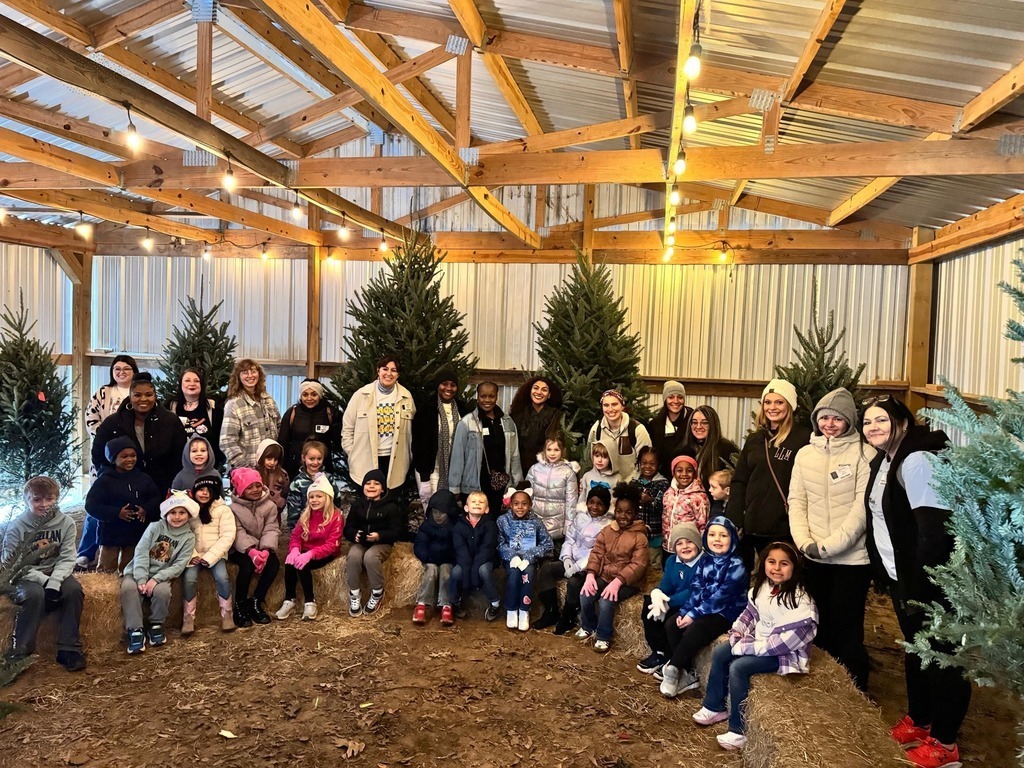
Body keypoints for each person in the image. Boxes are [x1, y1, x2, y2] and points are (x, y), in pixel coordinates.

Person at [862, 396, 971, 768]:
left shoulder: (917, 460)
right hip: (902, 578)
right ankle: (921, 720)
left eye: (881, 420)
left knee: (942, 657)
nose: (873, 427)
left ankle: (945, 742)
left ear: (902, 422)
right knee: (916, 652)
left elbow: (934, 531)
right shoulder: (887, 459)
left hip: (928, 582)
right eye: (867, 422)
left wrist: (925, 583)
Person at [692, 541, 818, 752]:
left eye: (784, 564)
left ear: (794, 567)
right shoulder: (763, 589)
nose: (777, 568)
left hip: (784, 653)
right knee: (722, 651)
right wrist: (738, 631)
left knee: (739, 667)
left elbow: (783, 644)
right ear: (764, 564)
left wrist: (747, 647)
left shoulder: (801, 602)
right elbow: (750, 614)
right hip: (760, 643)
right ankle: (715, 706)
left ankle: (738, 729)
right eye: (771, 562)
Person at [788, 388, 874, 691]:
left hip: (852, 559)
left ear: (849, 421)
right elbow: (797, 500)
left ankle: (855, 689)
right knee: (817, 621)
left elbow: (863, 509)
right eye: (824, 417)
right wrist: (805, 542)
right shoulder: (805, 454)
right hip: (812, 555)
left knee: (847, 627)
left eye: (837, 418)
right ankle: (824, 690)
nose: (830, 423)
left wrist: (829, 546)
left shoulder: (865, 454)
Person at [1, 476, 86, 671]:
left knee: (73, 590)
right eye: (37, 499)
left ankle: (68, 649)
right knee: (34, 595)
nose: (44, 504)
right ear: (27, 500)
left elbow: (67, 558)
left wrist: (55, 583)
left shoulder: (66, 523)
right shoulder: (17, 527)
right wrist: (47, 583)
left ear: (56, 498)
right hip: (25, 575)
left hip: (56, 571)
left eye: (49, 499)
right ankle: (21, 651)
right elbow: (13, 566)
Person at [659, 516, 747, 698]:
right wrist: (685, 612)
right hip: (704, 608)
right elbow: (696, 589)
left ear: (733, 538)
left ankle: (673, 668)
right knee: (672, 624)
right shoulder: (706, 561)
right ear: (705, 537)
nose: (717, 539)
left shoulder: (736, 565)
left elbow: (719, 598)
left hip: (727, 612)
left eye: (723, 535)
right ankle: (689, 674)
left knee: (697, 628)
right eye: (712, 534)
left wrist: (694, 614)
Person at [730, 379, 811, 570]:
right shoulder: (755, 439)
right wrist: (735, 517)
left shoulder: (803, 438)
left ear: (790, 405)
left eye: (779, 402)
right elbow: (740, 480)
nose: (772, 407)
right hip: (752, 526)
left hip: (783, 527)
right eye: (767, 402)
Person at [79, 354, 139, 568]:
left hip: (130, 459)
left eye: (126, 369)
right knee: (98, 504)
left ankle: (123, 558)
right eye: (117, 369)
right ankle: (87, 552)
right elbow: (90, 418)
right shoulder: (103, 393)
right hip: (105, 458)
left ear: (134, 371)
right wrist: (108, 441)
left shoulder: (138, 393)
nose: (121, 372)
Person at [120, 491, 198, 655]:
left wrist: (156, 579)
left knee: (163, 591)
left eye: (182, 512)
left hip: (161, 574)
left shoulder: (188, 538)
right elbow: (141, 551)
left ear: (189, 514)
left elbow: (179, 565)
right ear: (166, 514)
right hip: (137, 570)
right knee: (128, 588)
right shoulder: (154, 527)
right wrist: (141, 578)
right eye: (173, 513)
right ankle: (135, 630)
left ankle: (156, 624)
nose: (177, 517)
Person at [91, 372, 188, 498]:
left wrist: (173, 485)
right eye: (137, 395)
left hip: (162, 488)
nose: (143, 399)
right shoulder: (113, 422)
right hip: (122, 488)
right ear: (130, 397)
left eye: (148, 395)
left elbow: (180, 457)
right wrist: (110, 479)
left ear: (155, 396)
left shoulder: (170, 421)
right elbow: (98, 454)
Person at [577, 483, 649, 653]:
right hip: (605, 576)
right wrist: (590, 575)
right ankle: (588, 626)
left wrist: (618, 582)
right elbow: (596, 553)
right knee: (585, 594)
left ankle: (603, 636)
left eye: (629, 512)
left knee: (606, 600)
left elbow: (638, 565)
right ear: (614, 511)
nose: (623, 516)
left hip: (627, 582)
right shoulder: (607, 531)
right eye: (619, 511)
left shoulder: (640, 537)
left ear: (635, 514)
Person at [85, 436, 161, 573]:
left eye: (133, 455)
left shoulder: (143, 478)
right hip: (110, 533)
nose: (130, 459)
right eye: (124, 456)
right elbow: (91, 505)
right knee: (106, 568)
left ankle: (127, 590)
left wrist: (145, 510)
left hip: (134, 533)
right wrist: (116, 513)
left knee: (130, 568)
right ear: (113, 459)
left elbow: (155, 498)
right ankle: (107, 594)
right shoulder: (104, 481)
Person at [342, 355, 416, 491]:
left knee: (390, 502)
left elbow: (412, 432)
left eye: (393, 370)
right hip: (364, 459)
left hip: (395, 461)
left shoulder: (406, 396)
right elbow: (347, 428)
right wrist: (352, 452)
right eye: (385, 369)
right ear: (378, 371)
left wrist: (409, 456)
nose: (389, 373)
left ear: (398, 375)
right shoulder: (361, 395)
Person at [637, 522, 703, 675]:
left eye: (689, 541)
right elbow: (666, 583)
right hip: (674, 600)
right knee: (649, 606)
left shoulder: (703, 563)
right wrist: (658, 593)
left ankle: (674, 658)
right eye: (679, 543)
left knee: (671, 622)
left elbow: (694, 592)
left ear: (698, 543)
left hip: (694, 605)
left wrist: (668, 602)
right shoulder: (672, 561)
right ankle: (659, 652)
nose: (685, 546)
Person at [526, 435, 579, 629]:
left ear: (562, 451)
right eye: (549, 450)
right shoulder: (534, 469)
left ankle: (554, 610)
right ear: (544, 451)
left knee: (550, 569)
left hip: (557, 531)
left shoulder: (568, 473)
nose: (553, 453)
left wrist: (568, 528)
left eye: (556, 450)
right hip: (538, 528)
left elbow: (571, 503)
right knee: (534, 568)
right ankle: (543, 608)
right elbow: (528, 496)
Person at [449, 381, 523, 516]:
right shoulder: (466, 422)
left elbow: (514, 455)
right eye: (483, 396)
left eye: (491, 396)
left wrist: (517, 483)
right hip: (474, 485)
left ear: (497, 397)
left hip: (500, 485)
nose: (487, 400)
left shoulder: (507, 422)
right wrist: (454, 487)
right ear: (478, 396)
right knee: (474, 524)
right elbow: (457, 456)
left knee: (494, 523)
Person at [277, 473, 343, 621]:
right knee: (290, 562)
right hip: (306, 550)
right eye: (311, 497)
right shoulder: (306, 515)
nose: (314, 500)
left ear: (328, 497)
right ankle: (290, 599)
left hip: (325, 552)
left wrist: (310, 554)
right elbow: (296, 536)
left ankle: (310, 601)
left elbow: (332, 545)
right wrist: (294, 549)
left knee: (302, 565)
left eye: (319, 496)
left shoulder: (336, 516)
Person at [554, 485, 613, 636]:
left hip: (589, 565)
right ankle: (551, 610)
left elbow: (599, 552)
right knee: (548, 569)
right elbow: (570, 538)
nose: (594, 507)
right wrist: (566, 557)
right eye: (591, 502)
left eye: (600, 504)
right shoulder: (580, 517)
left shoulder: (608, 526)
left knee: (574, 583)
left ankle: (568, 617)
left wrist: (578, 566)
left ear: (606, 507)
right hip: (571, 558)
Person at [345, 469, 404, 617]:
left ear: (382, 488)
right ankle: (354, 594)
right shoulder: (358, 505)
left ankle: (377, 592)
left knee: (370, 557)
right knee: (353, 555)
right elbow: (348, 528)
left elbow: (396, 531)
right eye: (368, 483)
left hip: (382, 543)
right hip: (362, 542)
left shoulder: (391, 507)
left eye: (376, 484)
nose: (371, 486)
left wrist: (379, 536)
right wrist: (355, 535)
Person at [182, 475, 237, 634]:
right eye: (201, 490)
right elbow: (184, 534)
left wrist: (211, 557)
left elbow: (228, 535)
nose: (204, 493)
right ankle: (188, 617)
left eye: (209, 490)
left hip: (216, 554)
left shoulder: (223, 510)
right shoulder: (190, 511)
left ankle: (227, 614)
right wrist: (192, 554)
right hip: (193, 554)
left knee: (222, 577)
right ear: (195, 491)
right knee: (189, 578)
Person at [227, 467, 280, 628]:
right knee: (246, 566)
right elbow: (237, 532)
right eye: (249, 487)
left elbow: (271, 528)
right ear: (240, 489)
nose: (255, 490)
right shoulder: (232, 509)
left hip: (261, 546)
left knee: (274, 564)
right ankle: (240, 605)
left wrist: (265, 550)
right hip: (240, 549)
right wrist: (251, 551)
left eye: (257, 485)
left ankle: (256, 600)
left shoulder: (270, 506)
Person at [497, 485, 553, 632]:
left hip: (529, 559)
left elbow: (548, 544)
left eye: (524, 504)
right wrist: (512, 556)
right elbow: (499, 543)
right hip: (511, 559)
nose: (520, 507)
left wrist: (530, 556)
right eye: (516, 504)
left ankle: (524, 609)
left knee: (528, 574)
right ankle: (511, 609)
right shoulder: (503, 521)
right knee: (514, 574)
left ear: (530, 505)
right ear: (510, 504)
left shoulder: (536, 522)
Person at [411, 369, 470, 509]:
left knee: (450, 511)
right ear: (438, 385)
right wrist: (424, 479)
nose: (448, 388)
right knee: (432, 510)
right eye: (444, 384)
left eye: (453, 385)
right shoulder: (426, 409)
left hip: (456, 471)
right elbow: (419, 446)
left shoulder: (463, 409)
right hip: (431, 470)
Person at [449, 491, 501, 622]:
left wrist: (474, 572)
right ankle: (455, 602)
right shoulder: (459, 526)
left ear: (487, 509)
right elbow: (460, 549)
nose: (477, 503)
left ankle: (495, 603)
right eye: (473, 502)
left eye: (481, 502)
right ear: (466, 508)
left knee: (483, 570)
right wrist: (468, 573)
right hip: (464, 559)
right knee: (456, 572)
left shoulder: (490, 525)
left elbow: (487, 548)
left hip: (485, 558)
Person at [220, 359, 280, 471]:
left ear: (259, 374)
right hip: (246, 471)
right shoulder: (234, 404)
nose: (250, 376)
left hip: (270, 469)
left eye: (253, 371)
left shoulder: (269, 400)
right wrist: (244, 467)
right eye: (245, 372)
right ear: (238, 377)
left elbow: (279, 428)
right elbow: (226, 441)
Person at [412, 490, 459, 626]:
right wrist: (426, 557)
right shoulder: (427, 526)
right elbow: (419, 545)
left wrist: (451, 558)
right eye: (435, 512)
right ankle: (421, 604)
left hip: (447, 559)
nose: (438, 516)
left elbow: (459, 547)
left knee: (446, 572)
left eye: (442, 513)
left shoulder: (456, 527)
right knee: (431, 571)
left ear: (449, 513)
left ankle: (446, 605)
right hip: (430, 559)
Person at [277, 377, 340, 478]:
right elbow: (283, 442)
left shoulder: (330, 413)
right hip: (295, 467)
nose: (309, 398)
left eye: (314, 394)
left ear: (320, 395)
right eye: (305, 394)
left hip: (322, 467)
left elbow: (338, 442)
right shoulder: (292, 413)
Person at [586, 390, 651, 482]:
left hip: (631, 485)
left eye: (614, 404)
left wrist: (626, 484)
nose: (610, 409)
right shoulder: (596, 429)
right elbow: (590, 459)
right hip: (603, 486)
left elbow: (645, 462)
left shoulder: (637, 429)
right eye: (606, 405)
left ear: (622, 406)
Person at [166, 367, 224, 468]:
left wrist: (216, 463)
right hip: (177, 468)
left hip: (207, 468)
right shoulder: (170, 406)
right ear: (181, 384)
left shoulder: (213, 407)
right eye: (187, 380)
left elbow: (222, 438)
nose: (192, 384)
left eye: (196, 381)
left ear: (201, 385)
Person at [509, 375, 564, 476]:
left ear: (549, 394)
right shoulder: (518, 414)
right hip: (520, 468)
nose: (539, 392)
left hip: (546, 468)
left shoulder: (556, 416)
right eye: (536, 388)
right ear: (530, 391)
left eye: (544, 390)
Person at [285, 440, 344, 528]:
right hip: (306, 525)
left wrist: (338, 521)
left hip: (326, 523)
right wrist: (295, 529)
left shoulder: (328, 478)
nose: (315, 462)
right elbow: (293, 509)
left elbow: (336, 501)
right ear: (304, 458)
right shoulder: (297, 482)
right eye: (312, 459)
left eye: (319, 459)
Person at [684, 405, 740, 494]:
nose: (698, 426)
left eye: (704, 423)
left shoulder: (726, 448)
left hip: (717, 502)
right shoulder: (685, 449)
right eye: (694, 422)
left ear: (713, 424)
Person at [647, 381, 695, 477]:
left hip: (687, 475)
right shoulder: (656, 423)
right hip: (662, 476)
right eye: (671, 397)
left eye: (680, 397)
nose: (676, 401)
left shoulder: (692, 418)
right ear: (665, 399)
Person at [633, 445, 670, 567]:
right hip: (636, 534)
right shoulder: (634, 482)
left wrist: (650, 501)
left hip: (654, 535)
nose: (647, 467)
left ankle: (654, 586)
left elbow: (662, 508)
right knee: (636, 564)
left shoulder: (662, 484)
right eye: (644, 463)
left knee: (654, 565)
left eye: (652, 464)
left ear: (659, 466)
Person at [661, 455, 710, 547]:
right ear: (673, 473)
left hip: (688, 548)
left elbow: (703, 525)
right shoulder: (668, 493)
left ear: (694, 473)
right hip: (669, 545)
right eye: (679, 470)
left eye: (689, 471)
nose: (684, 474)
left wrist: (702, 547)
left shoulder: (699, 497)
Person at [576, 441, 621, 510]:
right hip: (589, 515)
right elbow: (582, 499)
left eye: (604, 457)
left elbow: (619, 501)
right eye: (597, 456)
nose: (599, 460)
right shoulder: (587, 476)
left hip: (608, 516)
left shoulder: (617, 478)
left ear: (611, 459)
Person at [255, 439, 289, 516]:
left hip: (276, 510)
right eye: (269, 459)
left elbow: (285, 491)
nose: (272, 463)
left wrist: (281, 503)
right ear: (261, 456)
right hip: (258, 511)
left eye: (276, 459)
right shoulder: (255, 473)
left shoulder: (282, 474)